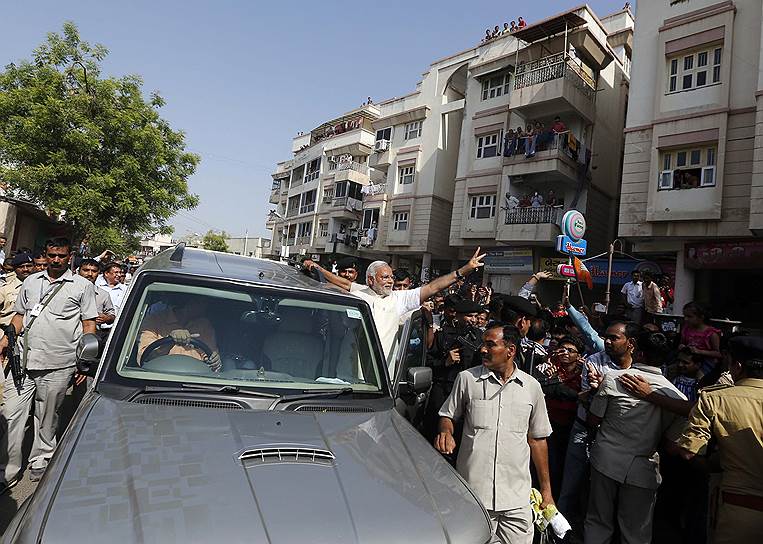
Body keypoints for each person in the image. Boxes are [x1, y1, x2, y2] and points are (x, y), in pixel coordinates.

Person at [436, 324, 553, 544]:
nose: (482, 349)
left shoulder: (531, 387)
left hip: (516, 501)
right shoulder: (467, 379)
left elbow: (537, 440)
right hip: (474, 498)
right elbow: (447, 415)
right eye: (483, 344)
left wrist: (547, 493)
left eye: (490, 345)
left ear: (510, 350)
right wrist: (445, 431)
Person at [0, 238, 97, 489]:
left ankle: (41, 457)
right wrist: (5, 339)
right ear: (46, 254)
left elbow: (89, 324)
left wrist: (84, 361)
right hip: (22, 361)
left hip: (59, 362)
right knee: (11, 414)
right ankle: (7, 470)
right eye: (52, 255)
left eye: (61, 256)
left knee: (47, 415)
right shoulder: (31, 281)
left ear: (69, 257)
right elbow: (20, 315)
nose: (56, 260)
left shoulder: (82, 286)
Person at [584, 330, 687, 544]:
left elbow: (593, 420)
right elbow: (670, 444)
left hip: (606, 460)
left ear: (637, 352)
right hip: (642, 467)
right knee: (636, 533)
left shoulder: (614, 379)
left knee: (598, 521)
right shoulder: (677, 396)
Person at [304, 249, 486, 359]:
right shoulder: (360, 293)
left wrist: (463, 270)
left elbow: (432, 287)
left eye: (391, 277)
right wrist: (318, 269)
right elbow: (343, 283)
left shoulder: (400, 299)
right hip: (350, 364)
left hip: (382, 373)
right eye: (385, 277)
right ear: (370, 279)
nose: (390, 281)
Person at [676, 335, 763, 544]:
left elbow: (689, 452)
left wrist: (716, 462)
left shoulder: (714, 398)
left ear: (737, 366)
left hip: (737, 506)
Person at [557, 321, 640, 528]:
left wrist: (603, 387)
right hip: (584, 429)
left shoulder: (639, 366)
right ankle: (560, 529)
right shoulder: (594, 361)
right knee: (571, 482)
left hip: (617, 437)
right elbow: (585, 398)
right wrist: (598, 391)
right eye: (607, 337)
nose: (608, 341)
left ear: (630, 343)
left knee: (604, 489)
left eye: (614, 338)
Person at [424, 298, 483, 442]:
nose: (473, 320)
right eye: (469, 316)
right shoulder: (443, 335)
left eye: (476, 316)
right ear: (458, 315)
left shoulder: (480, 337)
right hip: (445, 388)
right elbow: (429, 363)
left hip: (470, 390)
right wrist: (446, 362)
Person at [535, 336, 585, 500]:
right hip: (551, 423)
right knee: (551, 465)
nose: (565, 353)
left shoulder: (584, 374)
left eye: (570, 351)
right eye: (562, 349)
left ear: (578, 355)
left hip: (572, 425)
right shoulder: (548, 369)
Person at [137, 294, 221, 371]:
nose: (206, 306)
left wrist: (215, 361)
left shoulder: (204, 325)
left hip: (196, 382)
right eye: (202, 301)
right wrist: (168, 342)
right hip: (157, 378)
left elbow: (210, 356)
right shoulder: (153, 321)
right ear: (190, 302)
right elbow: (144, 358)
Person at [78, 258, 116, 345]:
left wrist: (106, 318)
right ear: (79, 271)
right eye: (86, 270)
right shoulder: (69, 290)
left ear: (98, 273)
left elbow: (112, 315)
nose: (90, 274)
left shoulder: (103, 294)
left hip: (91, 338)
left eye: (94, 271)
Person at [680, 301, 721, 376]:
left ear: (701, 317)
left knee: (700, 377)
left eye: (689, 316)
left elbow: (718, 353)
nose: (686, 319)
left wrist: (699, 351)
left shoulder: (711, 334)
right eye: (684, 316)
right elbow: (683, 343)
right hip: (687, 360)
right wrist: (682, 347)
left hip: (705, 362)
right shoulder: (686, 330)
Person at [0, 253, 34, 327]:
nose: (25, 269)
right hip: (6, 332)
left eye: (29, 266)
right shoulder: (5, 289)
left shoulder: (40, 287)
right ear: (15, 269)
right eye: (21, 267)